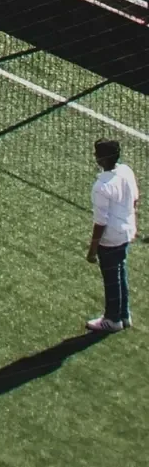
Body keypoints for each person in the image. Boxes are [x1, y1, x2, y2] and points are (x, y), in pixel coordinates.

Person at [87, 135, 138, 333]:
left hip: (111, 238)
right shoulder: (126, 171)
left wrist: (92, 250)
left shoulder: (101, 187)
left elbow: (100, 222)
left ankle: (112, 319)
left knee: (111, 278)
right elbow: (135, 200)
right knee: (120, 272)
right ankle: (124, 314)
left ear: (102, 159)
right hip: (126, 231)